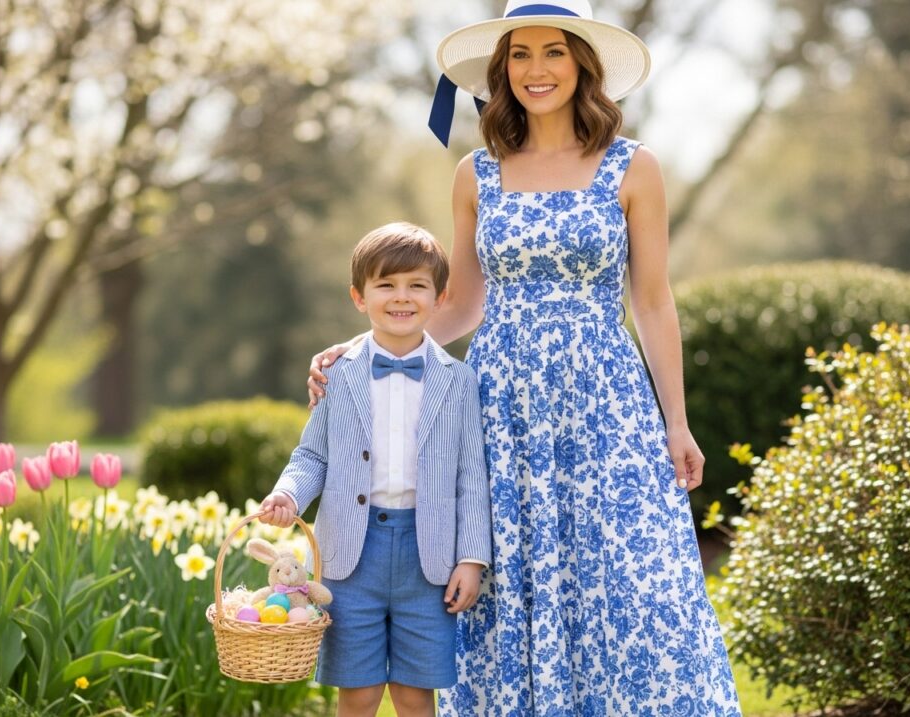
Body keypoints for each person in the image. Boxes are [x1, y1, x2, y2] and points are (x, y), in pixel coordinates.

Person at [308, 1, 742, 714]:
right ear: (501, 68)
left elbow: (655, 301)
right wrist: (360, 349)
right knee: (505, 578)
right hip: (500, 404)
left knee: (631, 577)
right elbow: (462, 305)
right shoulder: (476, 174)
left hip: (605, 402)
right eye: (520, 54)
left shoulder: (635, 167)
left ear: (582, 64)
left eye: (554, 52)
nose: (536, 70)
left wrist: (678, 422)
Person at [260, 222, 492, 717]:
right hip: (349, 558)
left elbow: (472, 478)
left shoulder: (459, 380)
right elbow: (312, 455)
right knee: (359, 694)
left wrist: (471, 558)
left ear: (441, 296)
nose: (401, 297)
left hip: (428, 560)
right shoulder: (336, 373)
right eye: (386, 285)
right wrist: (288, 495)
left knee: (414, 694)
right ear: (359, 297)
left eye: (417, 286)